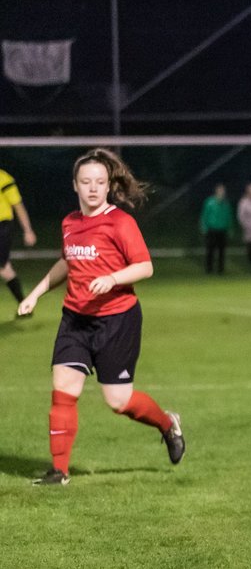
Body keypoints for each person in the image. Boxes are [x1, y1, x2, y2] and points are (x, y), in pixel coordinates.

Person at [17, 147, 185, 486]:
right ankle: (59, 471)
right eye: (86, 182)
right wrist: (34, 295)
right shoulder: (70, 223)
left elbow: (145, 266)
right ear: (75, 186)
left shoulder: (120, 222)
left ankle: (168, 424)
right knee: (63, 390)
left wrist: (112, 278)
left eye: (100, 182)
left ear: (108, 186)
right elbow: (67, 263)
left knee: (118, 401)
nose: (93, 188)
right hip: (75, 319)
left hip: (117, 320)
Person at [0, 166, 38, 303]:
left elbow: (18, 205)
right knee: (4, 268)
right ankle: (24, 305)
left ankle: (24, 304)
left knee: (3, 267)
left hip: (2, 227)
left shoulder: (3, 178)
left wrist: (28, 230)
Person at [200, 183, 232, 275]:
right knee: (210, 250)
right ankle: (209, 269)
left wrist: (230, 228)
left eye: (223, 191)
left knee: (222, 251)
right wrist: (204, 227)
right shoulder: (209, 202)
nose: (222, 192)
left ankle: (220, 269)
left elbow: (229, 217)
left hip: (222, 230)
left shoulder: (226, 203)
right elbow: (204, 215)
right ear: (216, 191)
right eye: (220, 190)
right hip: (212, 230)